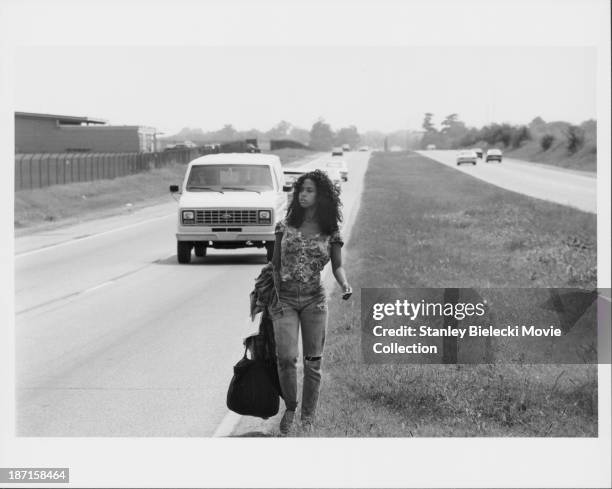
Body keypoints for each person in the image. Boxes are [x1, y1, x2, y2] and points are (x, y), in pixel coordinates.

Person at [270, 169, 352, 435]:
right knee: (285, 358)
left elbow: (338, 266)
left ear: (321, 196)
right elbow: (274, 265)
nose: (303, 195)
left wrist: (344, 284)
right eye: (300, 190)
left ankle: (308, 419)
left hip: (314, 301)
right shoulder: (284, 226)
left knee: (313, 361)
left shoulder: (331, 231)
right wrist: (271, 296)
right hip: (285, 300)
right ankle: (291, 408)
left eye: (309, 191)